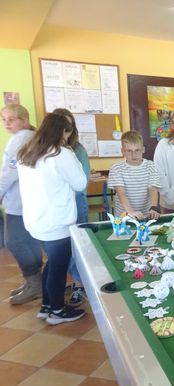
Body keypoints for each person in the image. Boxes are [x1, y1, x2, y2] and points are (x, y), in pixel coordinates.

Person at [17, 112, 87, 324]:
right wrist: (70, 152)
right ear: (64, 132)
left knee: (52, 263)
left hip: (35, 221)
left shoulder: (27, 152)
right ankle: (57, 311)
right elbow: (80, 183)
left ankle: (47, 305)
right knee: (58, 267)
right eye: (68, 133)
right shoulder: (61, 153)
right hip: (58, 222)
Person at [0, 104, 43, 305]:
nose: (7, 123)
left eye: (12, 119)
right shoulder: (29, 137)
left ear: (24, 120)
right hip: (27, 201)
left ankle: (35, 283)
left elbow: (9, 173)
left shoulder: (21, 139)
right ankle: (33, 281)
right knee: (28, 242)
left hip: (19, 202)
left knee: (15, 242)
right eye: (4, 119)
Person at [53, 108, 91, 307]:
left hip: (75, 203)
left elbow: (81, 184)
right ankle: (75, 280)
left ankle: (79, 285)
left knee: (78, 247)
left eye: (68, 126)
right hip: (58, 207)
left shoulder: (77, 150)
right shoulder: (50, 151)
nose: (64, 131)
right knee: (63, 247)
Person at [109, 130, 161, 220]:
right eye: (129, 151)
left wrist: (153, 208)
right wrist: (131, 212)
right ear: (122, 151)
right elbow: (121, 193)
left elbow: (153, 189)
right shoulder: (117, 168)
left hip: (145, 216)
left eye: (137, 150)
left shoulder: (151, 166)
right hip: (124, 217)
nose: (134, 155)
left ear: (143, 149)